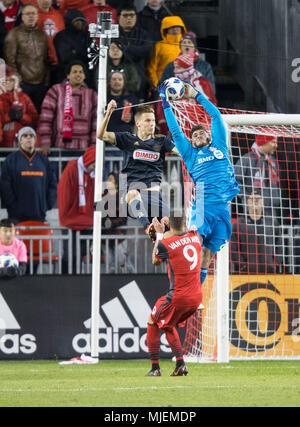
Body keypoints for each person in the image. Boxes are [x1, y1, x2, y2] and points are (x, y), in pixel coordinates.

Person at [159, 81, 240, 286]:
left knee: (207, 257)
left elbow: (215, 116)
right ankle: (179, 287)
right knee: (194, 247)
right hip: (203, 206)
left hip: (223, 208)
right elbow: (176, 133)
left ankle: (195, 294)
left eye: (201, 132)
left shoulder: (219, 145)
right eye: (194, 135)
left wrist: (197, 95)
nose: (198, 135)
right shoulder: (190, 154)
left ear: (208, 135)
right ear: (192, 142)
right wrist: (165, 103)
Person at [97, 99, 179, 237]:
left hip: (155, 197)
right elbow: (101, 135)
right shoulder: (127, 139)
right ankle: (148, 227)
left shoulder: (161, 141)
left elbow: (182, 152)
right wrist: (109, 113)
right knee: (133, 193)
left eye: (153, 120)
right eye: (147, 120)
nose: (152, 123)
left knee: (168, 236)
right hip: (133, 198)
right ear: (138, 123)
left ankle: (160, 248)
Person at [146, 209, 202, 376]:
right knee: (167, 323)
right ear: (185, 223)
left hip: (178, 297)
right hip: (196, 298)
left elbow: (155, 260)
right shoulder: (195, 237)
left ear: (169, 224)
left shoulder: (166, 244)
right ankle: (180, 365)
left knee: (152, 320)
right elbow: (183, 232)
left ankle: (155, 368)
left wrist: (159, 235)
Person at [3, 3, 57, 112]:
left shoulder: (42, 34)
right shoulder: (14, 34)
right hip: (23, 84)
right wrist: (18, 82)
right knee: (23, 115)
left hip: (41, 84)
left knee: (38, 115)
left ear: (37, 16)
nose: (31, 16)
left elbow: (45, 58)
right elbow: (10, 61)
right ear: (22, 17)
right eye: (28, 14)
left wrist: (46, 80)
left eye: (33, 13)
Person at [0, 126, 57, 223]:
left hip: (39, 214)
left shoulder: (43, 160)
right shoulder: (11, 160)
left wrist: (47, 204)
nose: (29, 138)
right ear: (20, 140)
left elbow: (52, 184)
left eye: (31, 136)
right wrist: (13, 205)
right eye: (25, 136)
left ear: (35, 140)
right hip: (16, 216)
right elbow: (5, 186)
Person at [39, 60, 97, 153]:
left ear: (85, 76)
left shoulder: (92, 95)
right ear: (68, 75)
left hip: (84, 148)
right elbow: (46, 118)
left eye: (81, 72)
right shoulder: (56, 91)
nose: (78, 74)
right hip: (59, 146)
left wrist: (94, 146)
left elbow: (96, 122)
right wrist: (45, 142)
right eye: (74, 72)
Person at [57, 146, 96, 273]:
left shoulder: (92, 174)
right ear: (88, 161)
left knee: (81, 255)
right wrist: (67, 216)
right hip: (71, 223)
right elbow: (64, 195)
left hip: (86, 224)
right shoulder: (72, 169)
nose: (95, 169)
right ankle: (66, 283)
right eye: (94, 165)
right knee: (70, 256)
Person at [230, 189, 284, 274]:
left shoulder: (272, 222)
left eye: (258, 199)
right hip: (246, 274)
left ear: (263, 201)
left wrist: (275, 264)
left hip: (269, 272)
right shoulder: (239, 223)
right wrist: (243, 266)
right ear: (248, 202)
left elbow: (279, 245)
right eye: (252, 199)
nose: (255, 202)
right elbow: (234, 249)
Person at [234, 134, 284, 222]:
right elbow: (235, 181)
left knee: (271, 234)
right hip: (253, 210)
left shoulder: (272, 161)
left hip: (271, 210)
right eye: (273, 142)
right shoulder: (246, 159)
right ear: (264, 142)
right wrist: (245, 198)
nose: (276, 146)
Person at [0, 67, 39, 147]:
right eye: (5, 81)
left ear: (15, 82)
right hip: (3, 143)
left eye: (10, 81)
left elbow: (35, 119)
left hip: (22, 142)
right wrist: (8, 117)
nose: (7, 83)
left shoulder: (24, 97)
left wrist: (22, 116)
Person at [147, 15, 186, 88]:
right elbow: (152, 68)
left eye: (178, 27)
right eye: (172, 27)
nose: (175, 29)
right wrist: (156, 85)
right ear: (166, 30)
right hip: (164, 86)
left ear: (182, 29)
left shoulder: (187, 45)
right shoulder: (159, 46)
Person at [53, 9, 91, 84]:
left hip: (85, 75)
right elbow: (65, 57)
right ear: (69, 21)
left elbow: (90, 55)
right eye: (77, 21)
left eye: (81, 21)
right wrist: (82, 52)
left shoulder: (86, 36)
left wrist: (75, 51)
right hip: (64, 75)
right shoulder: (61, 36)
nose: (79, 23)